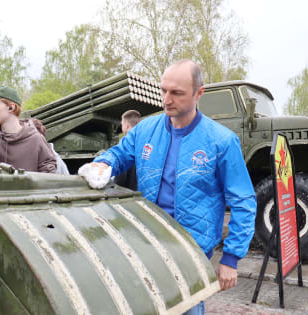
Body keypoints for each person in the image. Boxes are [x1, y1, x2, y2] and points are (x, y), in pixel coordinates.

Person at [78, 59, 257, 314]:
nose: (166, 99)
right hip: (148, 243)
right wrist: (103, 164)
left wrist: (231, 258)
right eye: (163, 90)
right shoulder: (145, 131)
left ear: (199, 93)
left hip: (191, 251)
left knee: (187, 308)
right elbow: (120, 154)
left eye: (177, 93)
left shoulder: (221, 142)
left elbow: (243, 201)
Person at [113, 110, 141, 190]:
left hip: (130, 197)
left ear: (127, 126)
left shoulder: (125, 146)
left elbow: (119, 182)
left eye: (122, 125)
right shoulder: (148, 143)